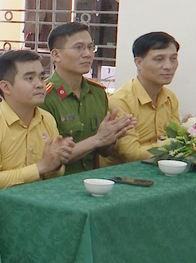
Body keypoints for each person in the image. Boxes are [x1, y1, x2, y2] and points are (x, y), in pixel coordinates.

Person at [0, 50, 75, 207]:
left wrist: (56, 162)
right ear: (6, 87)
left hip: (39, 202)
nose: (39, 84)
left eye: (42, 77)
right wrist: (41, 167)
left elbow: (54, 173)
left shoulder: (46, 119)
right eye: (29, 78)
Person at [42, 23, 136, 173]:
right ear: (56, 55)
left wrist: (113, 137)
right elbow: (49, 159)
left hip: (93, 181)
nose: (87, 54)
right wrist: (98, 139)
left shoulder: (97, 93)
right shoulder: (44, 97)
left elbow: (104, 151)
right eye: (78, 47)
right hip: (57, 185)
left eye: (91, 47)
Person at [107, 31, 181, 163]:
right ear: (139, 63)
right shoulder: (120, 101)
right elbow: (131, 154)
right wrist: (176, 143)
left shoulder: (170, 98)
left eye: (173, 59)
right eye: (159, 59)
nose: (169, 66)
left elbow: (176, 139)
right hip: (124, 176)